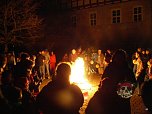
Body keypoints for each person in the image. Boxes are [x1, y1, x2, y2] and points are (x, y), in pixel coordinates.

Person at [85, 49, 136, 114]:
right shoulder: (110, 68)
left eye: (121, 58)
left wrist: (125, 92)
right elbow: (103, 81)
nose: (119, 60)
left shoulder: (126, 69)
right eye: (118, 58)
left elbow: (133, 83)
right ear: (115, 58)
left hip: (122, 99)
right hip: (110, 97)